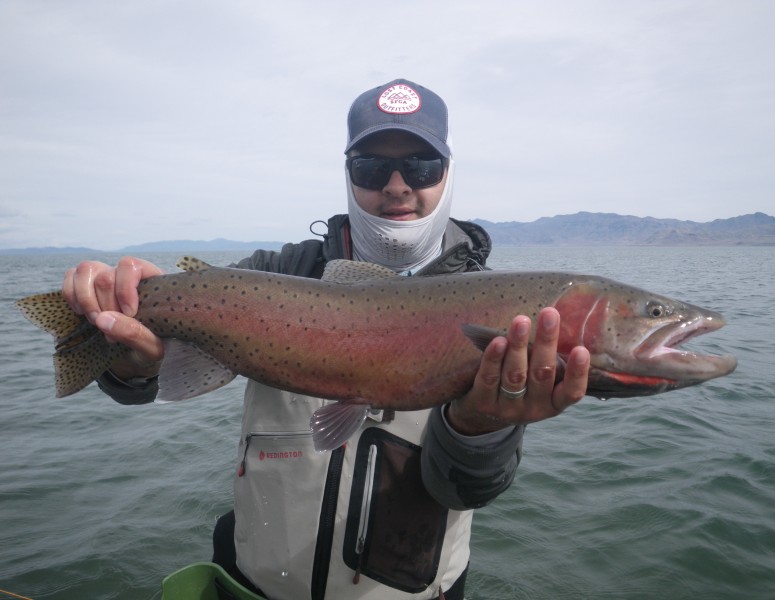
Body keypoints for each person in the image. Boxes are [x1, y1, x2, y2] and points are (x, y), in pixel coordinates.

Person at [62, 79, 590, 599]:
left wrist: (481, 427)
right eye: (372, 166)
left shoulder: (504, 316)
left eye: (422, 167)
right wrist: (128, 356)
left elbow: (467, 490)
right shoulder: (277, 272)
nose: (398, 184)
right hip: (254, 585)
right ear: (348, 174)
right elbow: (140, 383)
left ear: (447, 175)